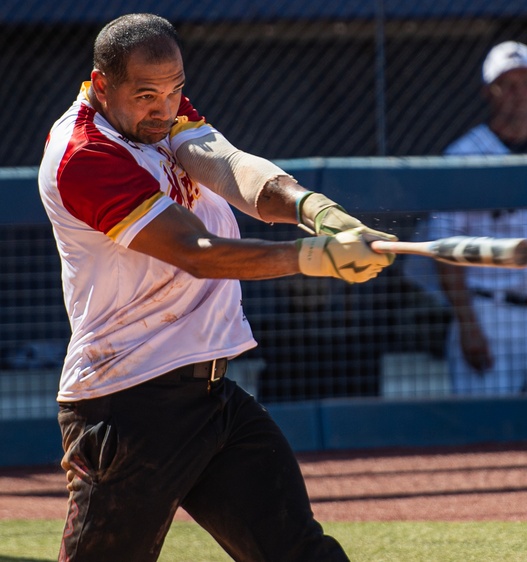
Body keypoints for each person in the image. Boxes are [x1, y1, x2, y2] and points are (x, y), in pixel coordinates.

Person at [37, 14, 396, 561]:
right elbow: (195, 253)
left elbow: (228, 168)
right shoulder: (85, 154)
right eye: (147, 94)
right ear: (101, 84)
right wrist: (316, 258)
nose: (165, 107)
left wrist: (319, 213)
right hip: (129, 406)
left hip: (210, 395)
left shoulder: (160, 114)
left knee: (299, 551)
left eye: (176, 89)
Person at [425, 41, 527, 395]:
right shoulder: (463, 156)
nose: (518, 93)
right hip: (488, 310)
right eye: (507, 84)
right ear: (489, 92)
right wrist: (467, 323)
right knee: (486, 436)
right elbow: (444, 247)